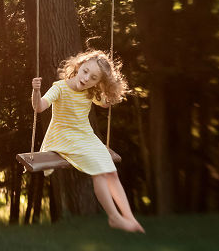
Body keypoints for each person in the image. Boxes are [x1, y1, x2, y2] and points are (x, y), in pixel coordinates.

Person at [31, 50, 144, 233]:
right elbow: (39, 106)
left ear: (97, 82)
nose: (86, 79)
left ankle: (129, 217)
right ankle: (114, 218)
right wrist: (36, 91)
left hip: (85, 136)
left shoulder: (90, 92)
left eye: (93, 78)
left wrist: (108, 90)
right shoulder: (59, 87)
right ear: (78, 66)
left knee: (111, 173)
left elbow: (106, 103)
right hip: (63, 136)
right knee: (99, 172)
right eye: (85, 71)